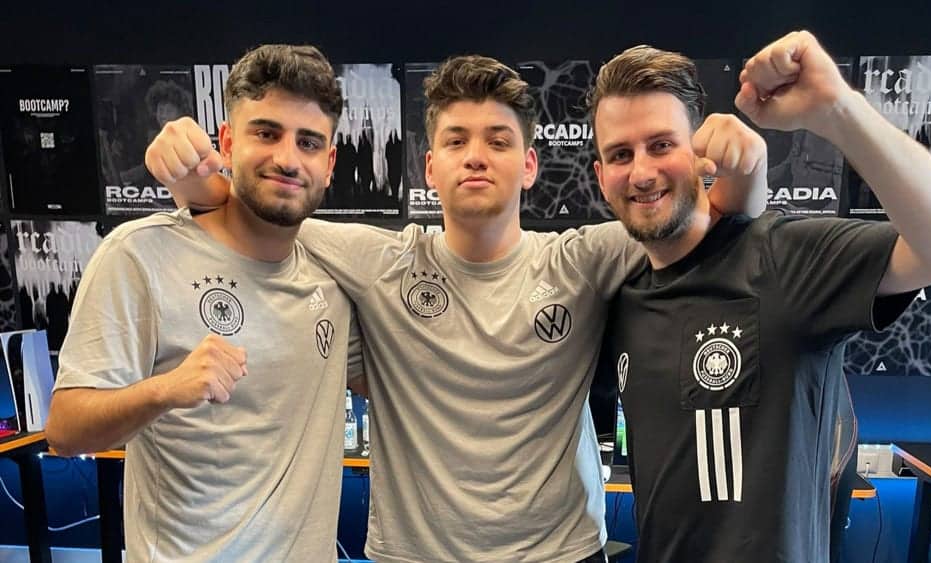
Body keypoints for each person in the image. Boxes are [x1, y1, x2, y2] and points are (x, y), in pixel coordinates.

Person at [146, 54, 766, 562]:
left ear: (529, 165)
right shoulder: (381, 263)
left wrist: (747, 165)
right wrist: (190, 176)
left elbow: (712, 218)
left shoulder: (582, 261)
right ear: (430, 167)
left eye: (498, 140)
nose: (476, 155)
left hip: (560, 555)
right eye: (456, 140)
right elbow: (261, 212)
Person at [590, 32, 931, 562]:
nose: (641, 172)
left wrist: (838, 109)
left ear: (699, 152)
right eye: (621, 154)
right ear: (601, 176)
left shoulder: (781, 258)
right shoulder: (620, 293)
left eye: (662, 145)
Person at [45, 44, 362, 561]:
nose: (287, 158)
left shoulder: (333, 277)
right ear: (228, 142)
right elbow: (64, 430)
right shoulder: (140, 254)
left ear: (328, 164)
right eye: (266, 133)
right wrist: (164, 390)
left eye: (307, 142)